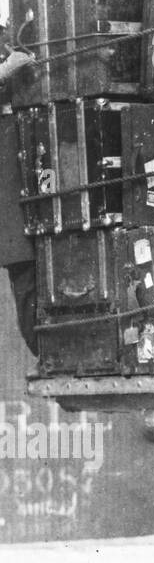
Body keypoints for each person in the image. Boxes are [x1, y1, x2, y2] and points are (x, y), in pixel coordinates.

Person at [0, 34, 38, 357]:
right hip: (9, 189)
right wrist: (5, 71)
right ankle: (45, 349)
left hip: (27, 165)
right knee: (26, 276)